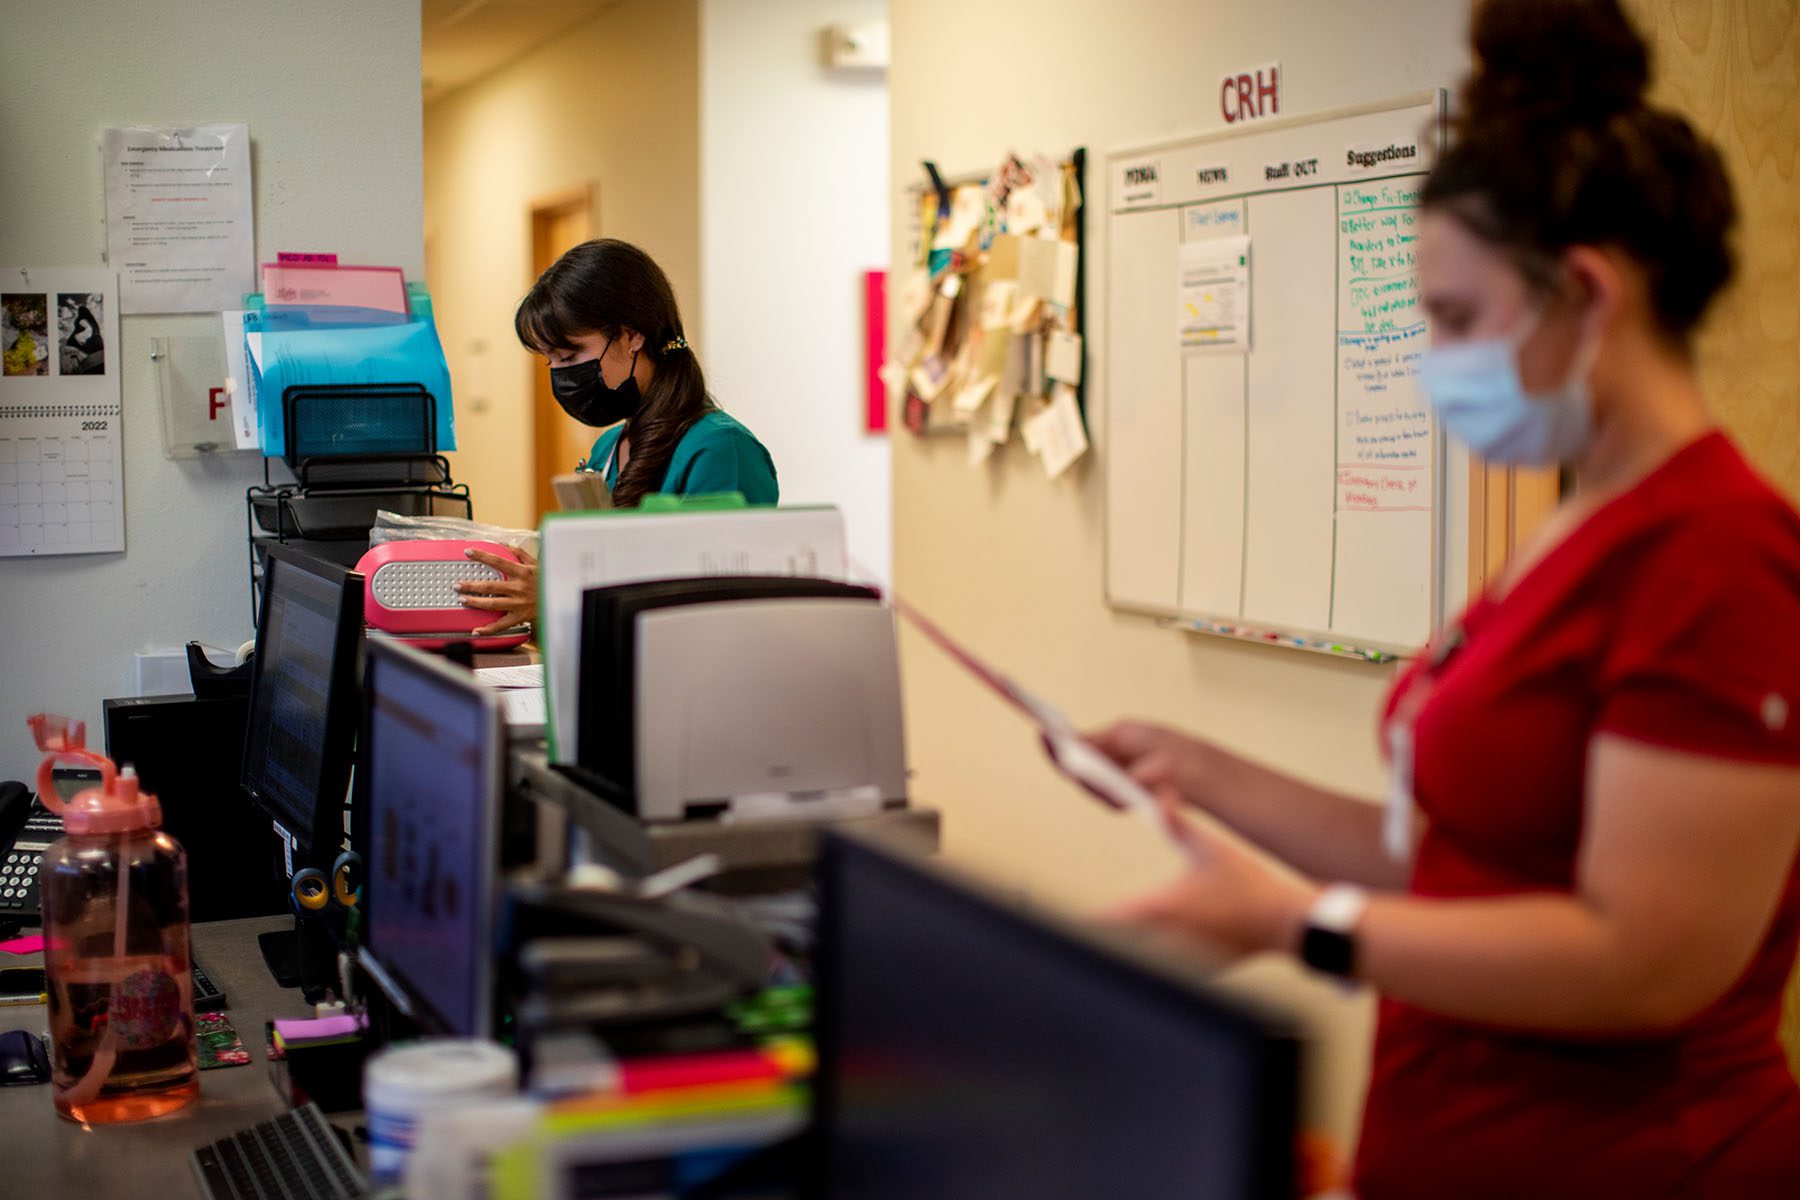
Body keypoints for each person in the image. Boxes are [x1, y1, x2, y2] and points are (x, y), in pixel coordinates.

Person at [1092, 2, 1800, 1195]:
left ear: (1588, 291)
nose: (1437, 361)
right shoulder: (1574, 525)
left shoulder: (1722, 555)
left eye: (1458, 319)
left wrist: (1293, 924)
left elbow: (1644, 961)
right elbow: (1453, 857)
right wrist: (1200, 771)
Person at [458, 239, 779, 634]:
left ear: (632, 336)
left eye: (570, 356)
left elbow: (711, 608)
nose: (560, 375)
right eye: (551, 361)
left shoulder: (720, 449)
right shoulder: (607, 449)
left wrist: (552, 597)